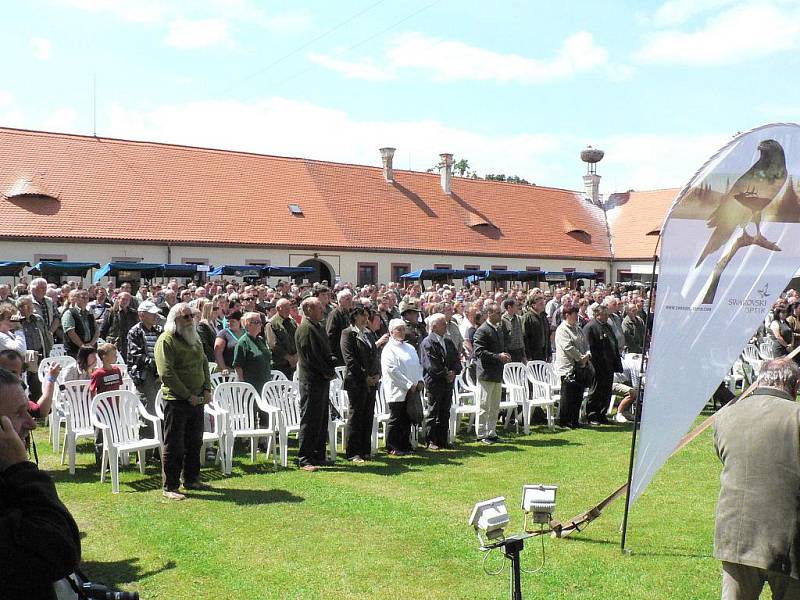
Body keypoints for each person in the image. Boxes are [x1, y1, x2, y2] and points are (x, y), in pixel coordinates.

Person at [713, 358, 800, 599]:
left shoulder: (725, 414)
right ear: (795, 386)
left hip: (735, 535)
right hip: (788, 540)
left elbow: (725, 456)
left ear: (759, 380)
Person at [0, 367, 81, 600]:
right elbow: (60, 550)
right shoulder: (14, 474)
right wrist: (21, 468)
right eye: (18, 413)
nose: (31, 424)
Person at [155, 303, 212, 500]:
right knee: (175, 444)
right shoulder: (166, 340)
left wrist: (207, 388)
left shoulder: (194, 337)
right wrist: (188, 395)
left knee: (195, 442)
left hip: (197, 398)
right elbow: (166, 373)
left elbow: (204, 362)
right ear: (175, 320)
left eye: (191, 316)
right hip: (177, 400)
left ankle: (192, 478)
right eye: (185, 317)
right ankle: (170, 486)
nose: (190, 320)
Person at [295, 296, 337, 471]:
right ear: (309, 310)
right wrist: (328, 371)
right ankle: (305, 458)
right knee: (310, 419)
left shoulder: (317, 327)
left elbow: (324, 352)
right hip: (312, 380)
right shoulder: (305, 329)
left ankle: (318, 454)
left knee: (321, 419)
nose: (323, 310)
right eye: (319, 308)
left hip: (322, 380)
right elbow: (311, 357)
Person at [340, 306, 379, 463]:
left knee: (368, 415)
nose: (365, 318)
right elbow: (350, 359)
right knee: (356, 415)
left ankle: (365, 449)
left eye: (367, 316)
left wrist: (376, 374)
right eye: (362, 315)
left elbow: (375, 355)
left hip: (372, 381)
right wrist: (364, 377)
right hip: (356, 381)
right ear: (354, 316)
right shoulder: (348, 333)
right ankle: (353, 452)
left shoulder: (368, 334)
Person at [381, 319, 424, 456]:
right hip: (397, 389)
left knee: (407, 418)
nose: (401, 332)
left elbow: (417, 366)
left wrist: (419, 381)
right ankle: (393, 446)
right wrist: (407, 384)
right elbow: (392, 370)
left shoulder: (410, 348)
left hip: (412, 389)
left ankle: (405, 444)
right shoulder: (389, 349)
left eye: (403, 329)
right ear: (391, 332)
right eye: (398, 329)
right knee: (396, 418)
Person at [232, 312, 272, 450]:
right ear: (248, 324)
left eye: (260, 322)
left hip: (264, 383)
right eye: (256, 322)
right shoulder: (243, 342)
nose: (260, 324)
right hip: (251, 384)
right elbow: (238, 365)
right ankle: (251, 442)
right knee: (251, 413)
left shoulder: (260, 340)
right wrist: (243, 385)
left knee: (264, 413)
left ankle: (262, 441)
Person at [420, 313, 461, 450]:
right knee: (433, 411)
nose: (446, 326)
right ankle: (431, 440)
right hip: (435, 382)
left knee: (445, 411)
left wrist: (453, 372)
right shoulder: (428, 342)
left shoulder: (448, 342)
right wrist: (445, 374)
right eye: (443, 324)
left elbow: (456, 359)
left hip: (448, 382)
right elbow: (431, 364)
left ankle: (443, 440)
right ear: (434, 326)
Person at [472, 301, 511, 445]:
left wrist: (504, 355)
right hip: (486, 373)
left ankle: (492, 432)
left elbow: (500, 348)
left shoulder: (498, 329)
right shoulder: (482, 330)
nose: (501, 315)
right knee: (484, 405)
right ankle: (481, 434)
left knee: (495, 405)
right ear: (489, 313)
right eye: (498, 313)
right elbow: (479, 352)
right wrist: (498, 356)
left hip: (497, 372)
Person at [127, 300, 163, 439]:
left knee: (159, 407)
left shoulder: (159, 330)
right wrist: (155, 366)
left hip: (159, 373)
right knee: (147, 408)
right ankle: (146, 445)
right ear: (142, 315)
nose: (155, 316)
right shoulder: (134, 332)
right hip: (144, 374)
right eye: (152, 314)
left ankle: (159, 443)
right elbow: (137, 355)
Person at [582, 304, 622, 425]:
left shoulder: (607, 326)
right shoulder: (591, 327)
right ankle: (592, 415)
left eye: (607, 314)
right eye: (604, 314)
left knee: (606, 390)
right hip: (597, 365)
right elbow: (588, 346)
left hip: (608, 364)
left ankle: (602, 414)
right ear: (597, 314)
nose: (606, 317)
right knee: (596, 391)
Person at [555, 305, 591, 429]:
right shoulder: (562, 330)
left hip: (580, 367)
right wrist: (580, 357)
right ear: (567, 315)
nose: (576, 316)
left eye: (577, 313)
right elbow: (568, 347)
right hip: (568, 367)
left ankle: (574, 420)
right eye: (574, 314)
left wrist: (587, 353)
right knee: (567, 395)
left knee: (578, 394)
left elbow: (585, 343)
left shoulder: (578, 328)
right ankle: (564, 421)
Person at [99, 291, 138, 362]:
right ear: (118, 299)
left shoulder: (133, 313)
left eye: (127, 300)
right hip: (114, 344)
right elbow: (103, 329)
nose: (125, 301)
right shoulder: (111, 312)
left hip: (129, 344)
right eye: (123, 299)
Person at [266, 298, 298, 379]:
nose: (288, 310)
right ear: (278, 309)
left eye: (289, 308)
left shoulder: (292, 322)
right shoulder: (271, 324)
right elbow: (273, 344)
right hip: (280, 364)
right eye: (286, 308)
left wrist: (296, 356)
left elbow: (298, 339)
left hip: (294, 363)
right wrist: (289, 358)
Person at [62, 289, 98, 358]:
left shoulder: (89, 314)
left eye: (87, 298)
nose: (85, 300)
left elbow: (97, 331)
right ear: (76, 299)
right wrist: (83, 346)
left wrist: (91, 344)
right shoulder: (69, 313)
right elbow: (71, 333)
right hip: (75, 351)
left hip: (90, 350)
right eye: (83, 298)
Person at [326, 289, 353, 366]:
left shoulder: (351, 313)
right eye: (347, 299)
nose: (350, 301)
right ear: (340, 301)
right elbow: (330, 335)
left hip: (348, 352)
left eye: (351, 298)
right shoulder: (334, 314)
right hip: (339, 354)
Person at [522, 294, 551, 363]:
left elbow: (547, 336)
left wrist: (549, 353)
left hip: (543, 353)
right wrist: (528, 355)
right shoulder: (527, 317)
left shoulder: (544, 317)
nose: (543, 305)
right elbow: (524, 337)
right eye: (541, 304)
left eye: (543, 303)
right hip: (533, 353)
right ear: (533, 305)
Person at [501, 298, 526, 363]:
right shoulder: (502, 320)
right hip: (509, 352)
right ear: (509, 307)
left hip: (519, 351)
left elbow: (521, 336)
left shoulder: (518, 318)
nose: (517, 307)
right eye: (515, 306)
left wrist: (523, 354)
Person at [196, 298, 219, 363]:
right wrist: (215, 358)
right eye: (214, 309)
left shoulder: (220, 324)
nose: (217, 311)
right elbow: (205, 346)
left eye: (217, 308)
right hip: (212, 360)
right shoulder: (202, 326)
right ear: (208, 310)